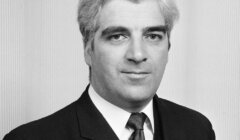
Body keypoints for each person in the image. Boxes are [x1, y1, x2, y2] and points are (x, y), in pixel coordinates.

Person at [3, 0, 215, 139]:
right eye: (118, 36)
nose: (138, 54)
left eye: (153, 36)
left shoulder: (197, 130)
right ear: (88, 49)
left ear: (168, 47)